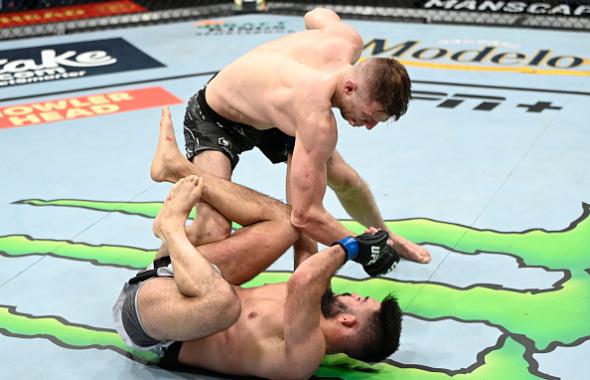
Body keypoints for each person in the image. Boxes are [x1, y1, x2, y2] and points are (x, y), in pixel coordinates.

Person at [112, 109, 402, 378]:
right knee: (288, 222)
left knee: (224, 305)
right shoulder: (318, 296)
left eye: (359, 301)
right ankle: (177, 168)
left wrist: (352, 247)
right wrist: (298, 149)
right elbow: (303, 221)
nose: (354, 294)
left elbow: (303, 279)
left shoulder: (303, 356)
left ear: (348, 323)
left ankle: (171, 229)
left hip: (156, 323)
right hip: (182, 273)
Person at [150, 7, 431, 266]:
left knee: (346, 181)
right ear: (349, 88)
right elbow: (305, 216)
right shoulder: (316, 119)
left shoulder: (345, 39)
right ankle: (157, 262)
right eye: (368, 117)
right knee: (213, 229)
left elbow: (315, 14)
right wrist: (359, 248)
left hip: (276, 113)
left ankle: (387, 234)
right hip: (218, 117)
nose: (368, 126)